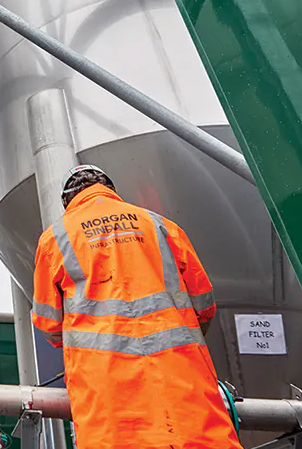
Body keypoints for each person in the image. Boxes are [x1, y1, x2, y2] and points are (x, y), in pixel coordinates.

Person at [31, 164, 240, 449]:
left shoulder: (55, 238)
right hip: (182, 382)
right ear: (111, 190)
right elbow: (204, 304)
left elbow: (49, 324)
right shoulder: (159, 225)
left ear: (68, 200)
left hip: (108, 394)